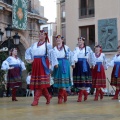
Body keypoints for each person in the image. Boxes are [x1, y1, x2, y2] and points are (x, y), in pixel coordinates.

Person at [25, 30, 58, 106]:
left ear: (45, 36)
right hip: (36, 63)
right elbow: (28, 51)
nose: (40, 35)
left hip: (43, 63)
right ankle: (48, 96)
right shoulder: (34, 44)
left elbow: (52, 54)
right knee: (40, 83)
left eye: (42, 34)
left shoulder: (48, 45)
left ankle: (36, 99)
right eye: (39, 34)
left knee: (41, 82)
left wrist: (55, 63)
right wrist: (29, 59)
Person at [72, 37, 94, 102]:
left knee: (84, 80)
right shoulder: (76, 49)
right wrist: (73, 63)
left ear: (83, 41)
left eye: (81, 40)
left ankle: (80, 95)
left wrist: (92, 64)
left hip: (85, 65)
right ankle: (85, 93)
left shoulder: (88, 48)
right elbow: (74, 56)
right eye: (79, 40)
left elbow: (91, 56)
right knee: (80, 81)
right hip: (78, 65)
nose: (79, 42)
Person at [52, 35, 72, 104]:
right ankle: (65, 94)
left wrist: (72, 63)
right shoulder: (54, 48)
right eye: (57, 39)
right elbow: (53, 57)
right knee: (59, 82)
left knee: (63, 81)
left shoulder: (66, 48)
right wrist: (55, 63)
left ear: (62, 40)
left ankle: (60, 97)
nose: (58, 40)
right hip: (57, 64)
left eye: (59, 39)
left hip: (64, 64)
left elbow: (70, 56)